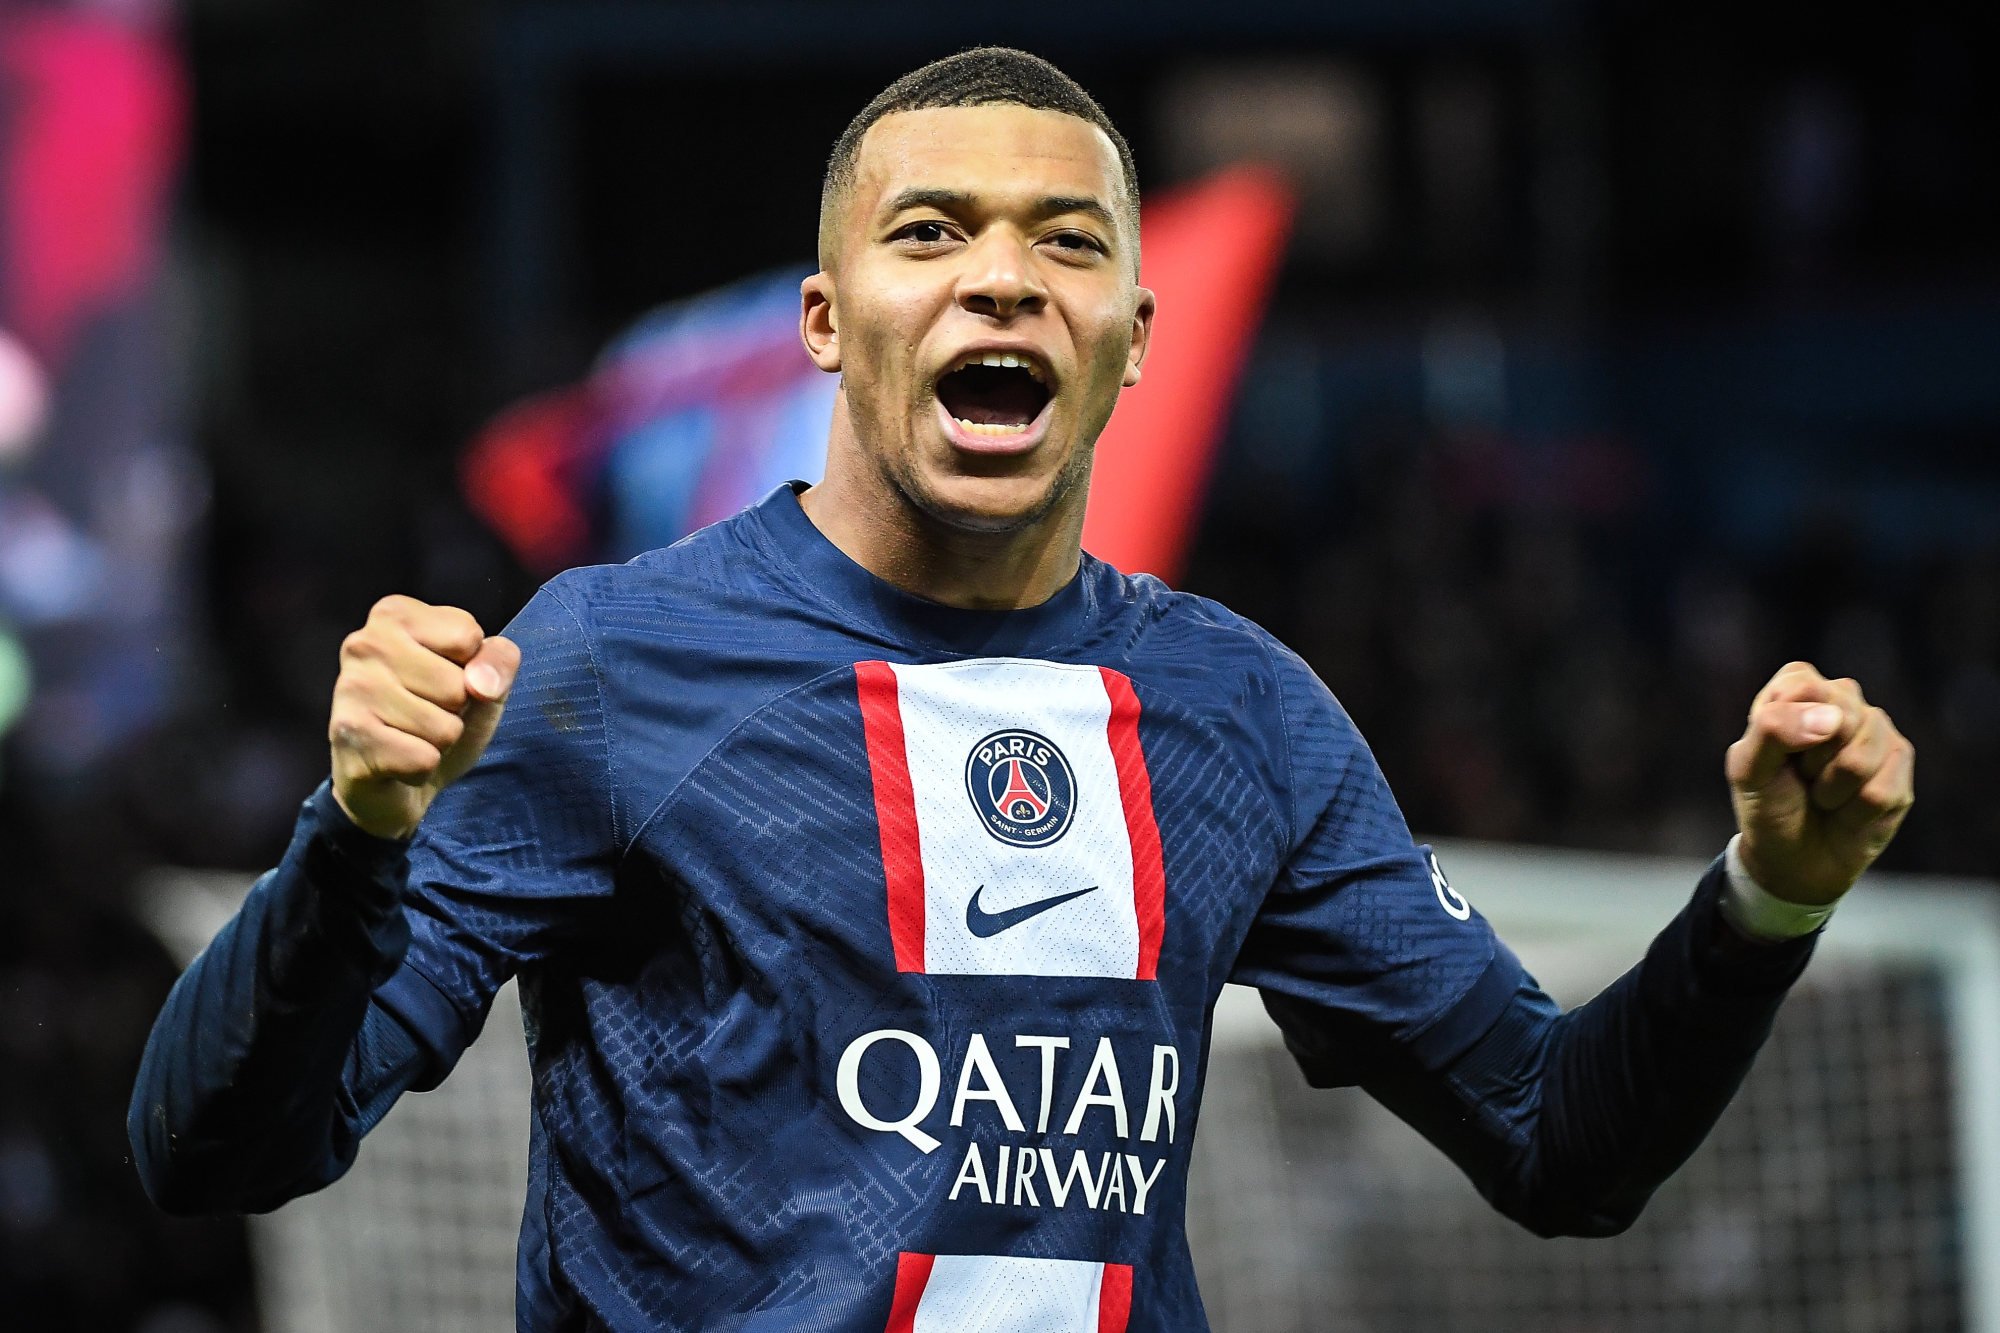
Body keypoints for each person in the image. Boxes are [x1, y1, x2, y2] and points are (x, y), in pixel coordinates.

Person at [129, 47, 1915, 1333]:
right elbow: (214, 1148)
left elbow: (1561, 1144)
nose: (1003, 272)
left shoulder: (1245, 716)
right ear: (828, 321)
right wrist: (357, 834)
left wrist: (1772, 898)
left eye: (1068, 242)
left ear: (1134, 332)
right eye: (931, 233)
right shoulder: (612, 663)